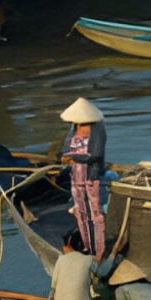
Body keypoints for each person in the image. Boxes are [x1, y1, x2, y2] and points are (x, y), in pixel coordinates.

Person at [61, 97, 108, 257]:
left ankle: (99, 250)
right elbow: (67, 148)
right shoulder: (74, 129)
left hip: (92, 175)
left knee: (95, 213)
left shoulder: (98, 130)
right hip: (76, 174)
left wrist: (74, 157)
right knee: (80, 212)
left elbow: (95, 155)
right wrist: (69, 156)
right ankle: (87, 246)